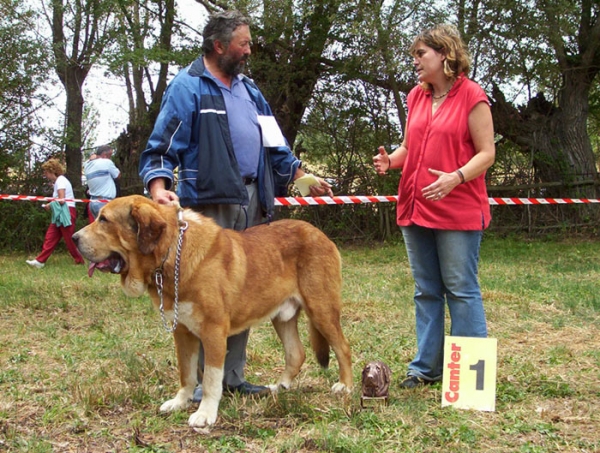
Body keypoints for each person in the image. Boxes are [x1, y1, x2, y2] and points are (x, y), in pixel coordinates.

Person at [139, 10, 333, 400]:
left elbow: (274, 143)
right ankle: (196, 386)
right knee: (202, 294)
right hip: (209, 203)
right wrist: (158, 187)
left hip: (253, 198)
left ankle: (231, 377)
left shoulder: (250, 90)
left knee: (244, 288)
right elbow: (160, 146)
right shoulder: (188, 86)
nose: (249, 50)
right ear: (219, 46)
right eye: (243, 43)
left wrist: (298, 175)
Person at [373, 24, 495, 388]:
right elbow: (410, 148)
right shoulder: (416, 97)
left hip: (457, 208)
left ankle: (471, 382)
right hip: (415, 207)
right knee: (426, 289)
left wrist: (455, 176)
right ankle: (425, 369)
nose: (415, 61)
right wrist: (390, 162)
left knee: (460, 288)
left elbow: (487, 153)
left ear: (445, 54)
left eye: (420, 54)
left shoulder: (473, 95)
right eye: (414, 55)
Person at [26, 159, 85, 269]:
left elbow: (62, 200)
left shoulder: (61, 181)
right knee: (50, 236)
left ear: (51, 171)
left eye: (46, 172)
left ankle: (79, 260)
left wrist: (50, 205)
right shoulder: (59, 181)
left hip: (66, 211)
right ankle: (40, 261)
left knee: (69, 239)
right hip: (60, 212)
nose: (45, 175)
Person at [84, 145, 121, 222]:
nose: (110, 158)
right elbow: (117, 175)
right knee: (108, 230)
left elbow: (89, 160)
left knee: (98, 230)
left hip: (93, 202)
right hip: (104, 202)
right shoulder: (107, 162)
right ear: (104, 155)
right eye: (110, 155)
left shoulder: (87, 165)